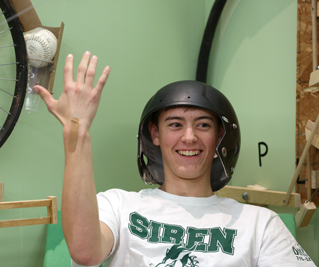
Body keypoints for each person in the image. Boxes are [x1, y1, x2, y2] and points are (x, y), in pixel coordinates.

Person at [34, 51, 316, 267]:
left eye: (203, 125)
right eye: (175, 124)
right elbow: (85, 253)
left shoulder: (260, 223)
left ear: (219, 136)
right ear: (155, 133)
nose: (190, 137)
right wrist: (77, 131)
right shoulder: (118, 206)